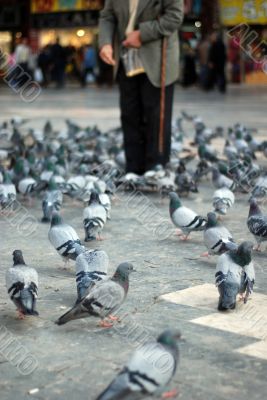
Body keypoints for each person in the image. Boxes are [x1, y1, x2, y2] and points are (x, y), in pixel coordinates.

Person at [98, 0, 184, 175]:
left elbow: (174, 17)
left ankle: (155, 169)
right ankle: (134, 170)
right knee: (130, 114)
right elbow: (107, 16)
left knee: (156, 118)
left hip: (157, 58)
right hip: (126, 58)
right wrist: (105, 42)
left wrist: (142, 34)